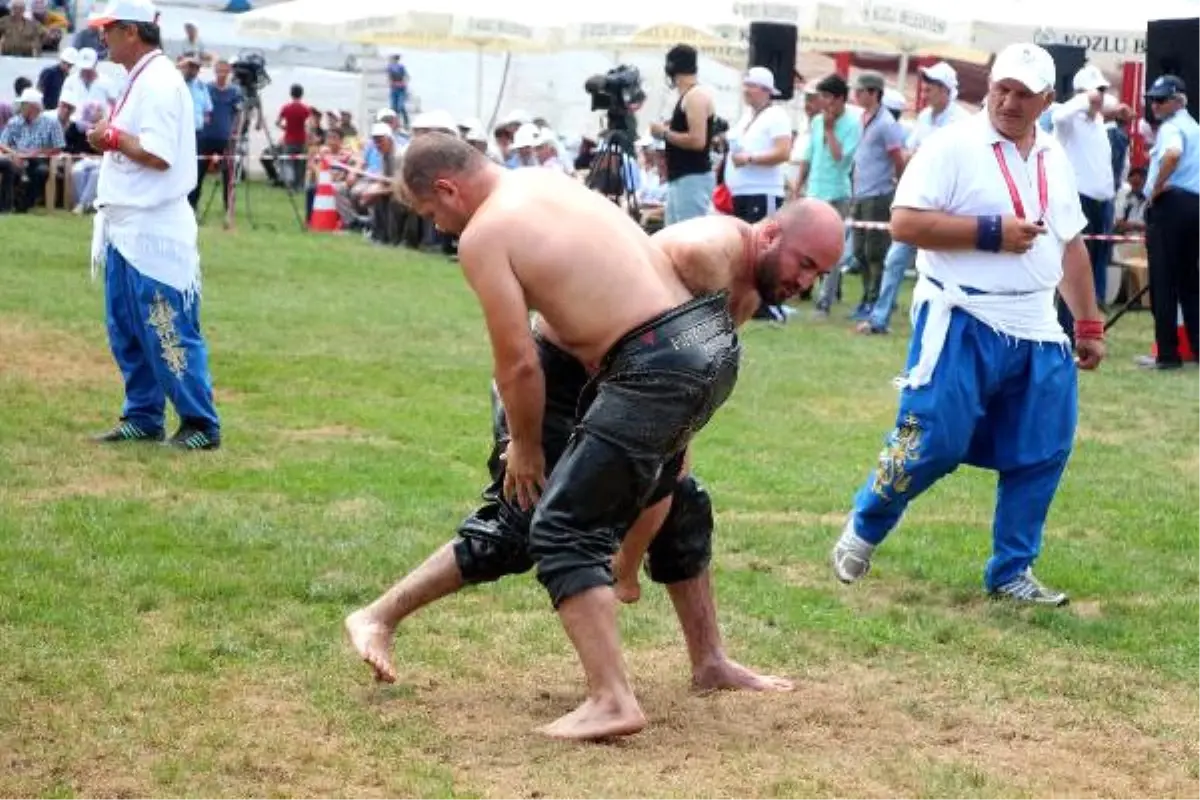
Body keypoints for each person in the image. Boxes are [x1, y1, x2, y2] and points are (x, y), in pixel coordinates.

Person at [345, 195, 844, 724]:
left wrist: (666, 469)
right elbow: (627, 343)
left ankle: (710, 662)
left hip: (626, 384)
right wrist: (533, 444)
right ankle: (378, 616)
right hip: (558, 379)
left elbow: (678, 390)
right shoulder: (705, 256)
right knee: (524, 522)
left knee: (683, 499)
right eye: (804, 264)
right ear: (768, 235)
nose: (805, 284)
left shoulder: (744, 291)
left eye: (820, 274)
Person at [371, 133, 744, 742]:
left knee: (561, 526)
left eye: (431, 213)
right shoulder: (547, 183)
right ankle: (710, 663)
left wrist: (526, 445)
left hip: (652, 362)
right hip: (709, 343)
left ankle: (612, 700)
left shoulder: (485, 232)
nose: (437, 227)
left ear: (447, 187)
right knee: (675, 496)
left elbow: (517, 363)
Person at [830, 43, 1106, 606]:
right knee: (933, 439)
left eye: (1023, 92)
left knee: (1044, 447)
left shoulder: (1054, 154)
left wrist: (1089, 323)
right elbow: (904, 223)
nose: (1008, 100)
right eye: (1002, 87)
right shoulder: (952, 144)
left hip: (1035, 322)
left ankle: (1012, 571)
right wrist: (990, 233)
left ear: (1047, 100)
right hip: (962, 312)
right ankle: (866, 523)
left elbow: (1071, 244)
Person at [85, 0, 221, 451]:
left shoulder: (160, 83)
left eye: (107, 29)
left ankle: (200, 422)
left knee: (168, 330)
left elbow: (159, 154)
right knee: (125, 327)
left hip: (153, 229)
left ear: (131, 32)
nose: (101, 37)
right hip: (126, 226)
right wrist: (111, 137)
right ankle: (143, 414)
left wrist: (112, 137)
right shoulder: (141, 78)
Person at [860, 62, 971, 336]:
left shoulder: (963, 122)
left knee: (947, 269)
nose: (927, 91)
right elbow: (910, 152)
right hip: (921, 203)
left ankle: (951, 325)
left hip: (950, 207)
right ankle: (879, 319)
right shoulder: (924, 118)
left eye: (931, 87)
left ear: (946, 90)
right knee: (895, 259)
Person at [1139, 74, 1200, 370]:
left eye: (1161, 100)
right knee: (1190, 282)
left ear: (1178, 100)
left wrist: (1157, 187)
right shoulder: (1196, 128)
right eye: (1153, 99)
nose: (1155, 105)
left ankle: (1167, 354)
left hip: (1172, 204)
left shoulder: (1171, 128)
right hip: (1195, 205)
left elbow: (1173, 154)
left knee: (1163, 282)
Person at [725, 66, 794, 322]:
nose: (746, 90)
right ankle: (749, 299)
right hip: (743, 190)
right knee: (746, 249)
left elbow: (783, 152)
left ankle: (767, 302)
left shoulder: (776, 116)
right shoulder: (746, 117)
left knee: (762, 249)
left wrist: (751, 158)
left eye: (751, 85)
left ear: (765, 90)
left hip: (761, 190)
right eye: (746, 84)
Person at [652, 44, 716, 226]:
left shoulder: (695, 96)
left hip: (692, 178)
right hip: (681, 178)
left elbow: (697, 141)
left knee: (688, 236)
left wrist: (663, 133)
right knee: (675, 237)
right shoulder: (688, 96)